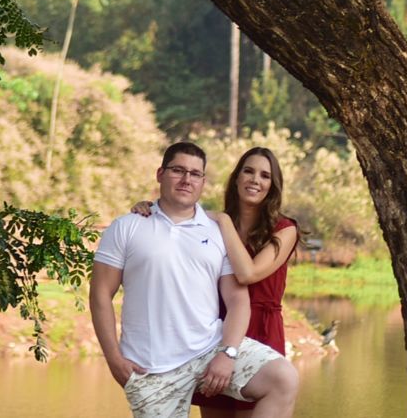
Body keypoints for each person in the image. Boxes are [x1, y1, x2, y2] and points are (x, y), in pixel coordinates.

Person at [90, 142, 300, 418]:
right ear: (160, 174)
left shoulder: (224, 228)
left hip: (227, 339)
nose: (187, 179)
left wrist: (228, 352)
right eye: (178, 171)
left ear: (203, 181)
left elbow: (244, 283)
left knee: (282, 378)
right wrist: (114, 359)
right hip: (156, 361)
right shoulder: (131, 225)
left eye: (195, 174)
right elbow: (100, 294)